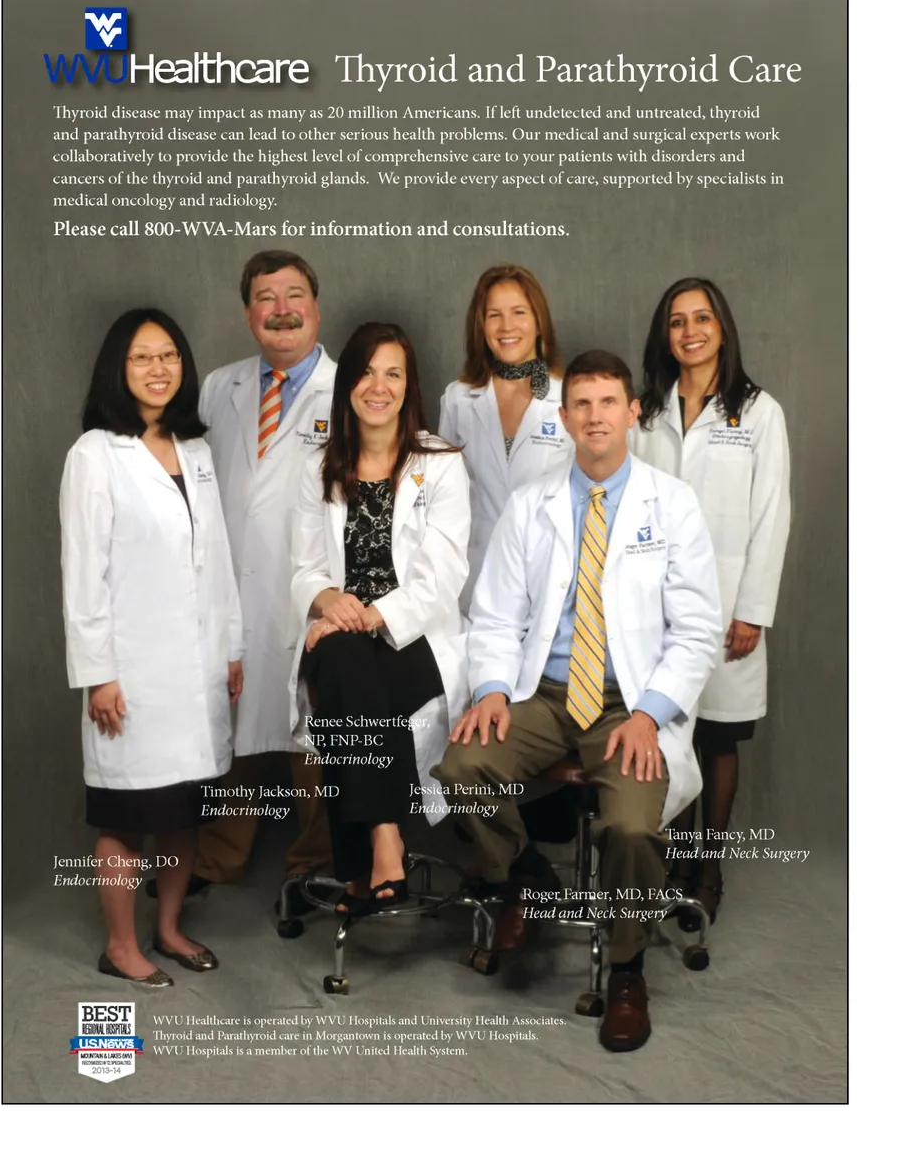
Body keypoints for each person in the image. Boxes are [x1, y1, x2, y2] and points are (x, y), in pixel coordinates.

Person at [435, 350, 722, 1052]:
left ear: (632, 413)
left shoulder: (672, 503)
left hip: (630, 703)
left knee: (631, 827)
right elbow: (495, 614)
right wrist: (493, 690)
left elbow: (697, 630)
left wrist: (651, 715)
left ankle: (626, 970)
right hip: (544, 692)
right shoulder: (531, 505)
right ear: (564, 418)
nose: (595, 417)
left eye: (608, 403)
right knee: (462, 767)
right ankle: (525, 874)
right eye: (582, 405)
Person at [60, 309, 244, 986]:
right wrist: (98, 674)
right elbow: (83, 574)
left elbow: (218, 559)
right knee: (127, 811)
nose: (158, 369)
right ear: (119, 368)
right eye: (142, 357)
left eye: (169, 355)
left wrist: (232, 648)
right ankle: (120, 945)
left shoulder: (194, 450)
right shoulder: (94, 455)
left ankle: (167, 929)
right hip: (132, 672)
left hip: (196, 668)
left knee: (181, 811)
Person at [289, 322, 470, 913]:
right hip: (341, 633)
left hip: (414, 636)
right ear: (348, 383)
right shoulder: (318, 466)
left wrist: (365, 616)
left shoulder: (439, 463)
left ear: (408, 386)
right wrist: (326, 601)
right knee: (347, 665)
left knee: (348, 680)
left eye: (393, 374)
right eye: (366, 372)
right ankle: (385, 839)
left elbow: (441, 578)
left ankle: (362, 866)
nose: (379, 386)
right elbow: (304, 570)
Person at [630, 278, 791, 929]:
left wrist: (752, 609)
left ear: (722, 328)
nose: (690, 331)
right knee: (671, 730)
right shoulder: (646, 412)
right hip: (656, 606)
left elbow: (772, 515)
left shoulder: (758, 413)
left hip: (726, 607)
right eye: (677, 321)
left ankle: (708, 868)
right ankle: (672, 859)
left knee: (718, 736)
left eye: (702, 318)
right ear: (664, 335)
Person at [188, 251, 335, 912]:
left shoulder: (350, 389)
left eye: (294, 294)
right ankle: (219, 855)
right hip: (233, 589)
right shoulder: (219, 388)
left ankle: (313, 864)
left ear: (316, 309)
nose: (281, 309)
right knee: (236, 725)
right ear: (249, 315)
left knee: (316, 731)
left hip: (314, 590)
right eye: (265, 298)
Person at [439, 264, 572, 609]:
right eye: (494, 315)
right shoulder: (458, 399)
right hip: (475, 578)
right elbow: (441, 500)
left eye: (519, 312)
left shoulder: (571, 398)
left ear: (539, 321)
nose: (506, 326)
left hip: (549, 578)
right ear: (481, 326)